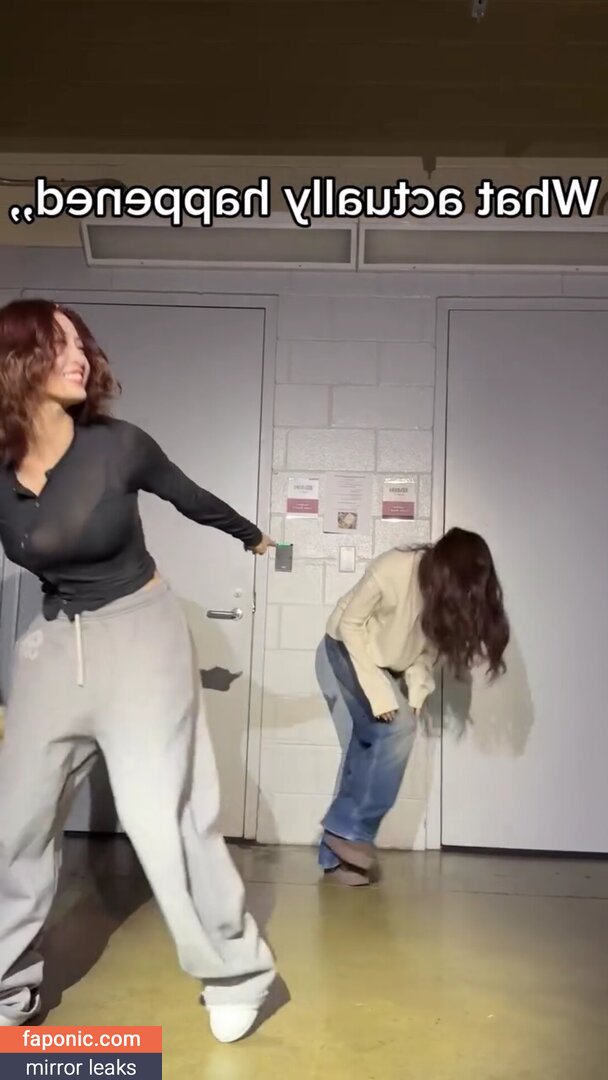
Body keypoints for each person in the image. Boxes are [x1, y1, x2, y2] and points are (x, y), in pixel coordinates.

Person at [0, 298, 277, 1043]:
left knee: (164, 817)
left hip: (140, 630)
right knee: (14, 821)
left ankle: (237, 972)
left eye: (80, 342)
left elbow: (192, 498)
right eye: (56, 343)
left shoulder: (119, 446)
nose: (78, 355)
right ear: (14, 361)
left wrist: (255, 539)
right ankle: (7, 984)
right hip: (53, 642)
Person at [316, 530, 510, 885]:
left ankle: (335, 854)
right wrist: (379, 693)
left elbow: (425, 654)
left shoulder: (448, 598)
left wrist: (416, 695)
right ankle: (351, 832)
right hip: (345, 645)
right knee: (396, 729)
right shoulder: (394, 568)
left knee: (368, 744)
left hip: (386, 663)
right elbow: (350, 625)